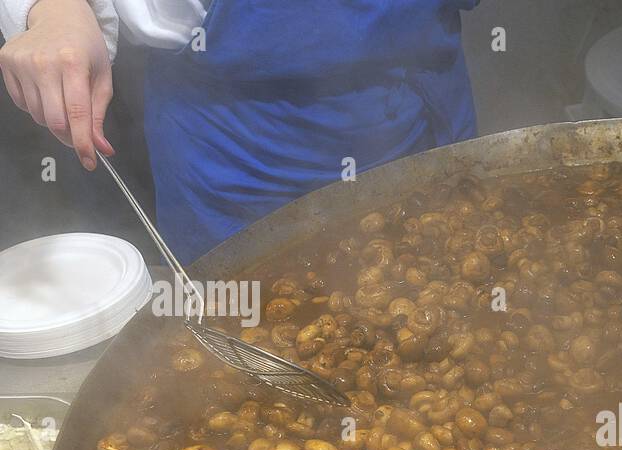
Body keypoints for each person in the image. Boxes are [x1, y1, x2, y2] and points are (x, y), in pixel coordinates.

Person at [0, 0, 479, 261]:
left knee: (452, 280)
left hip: (419, 110)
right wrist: (56, 9)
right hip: (237, 153)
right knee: (241, 338)